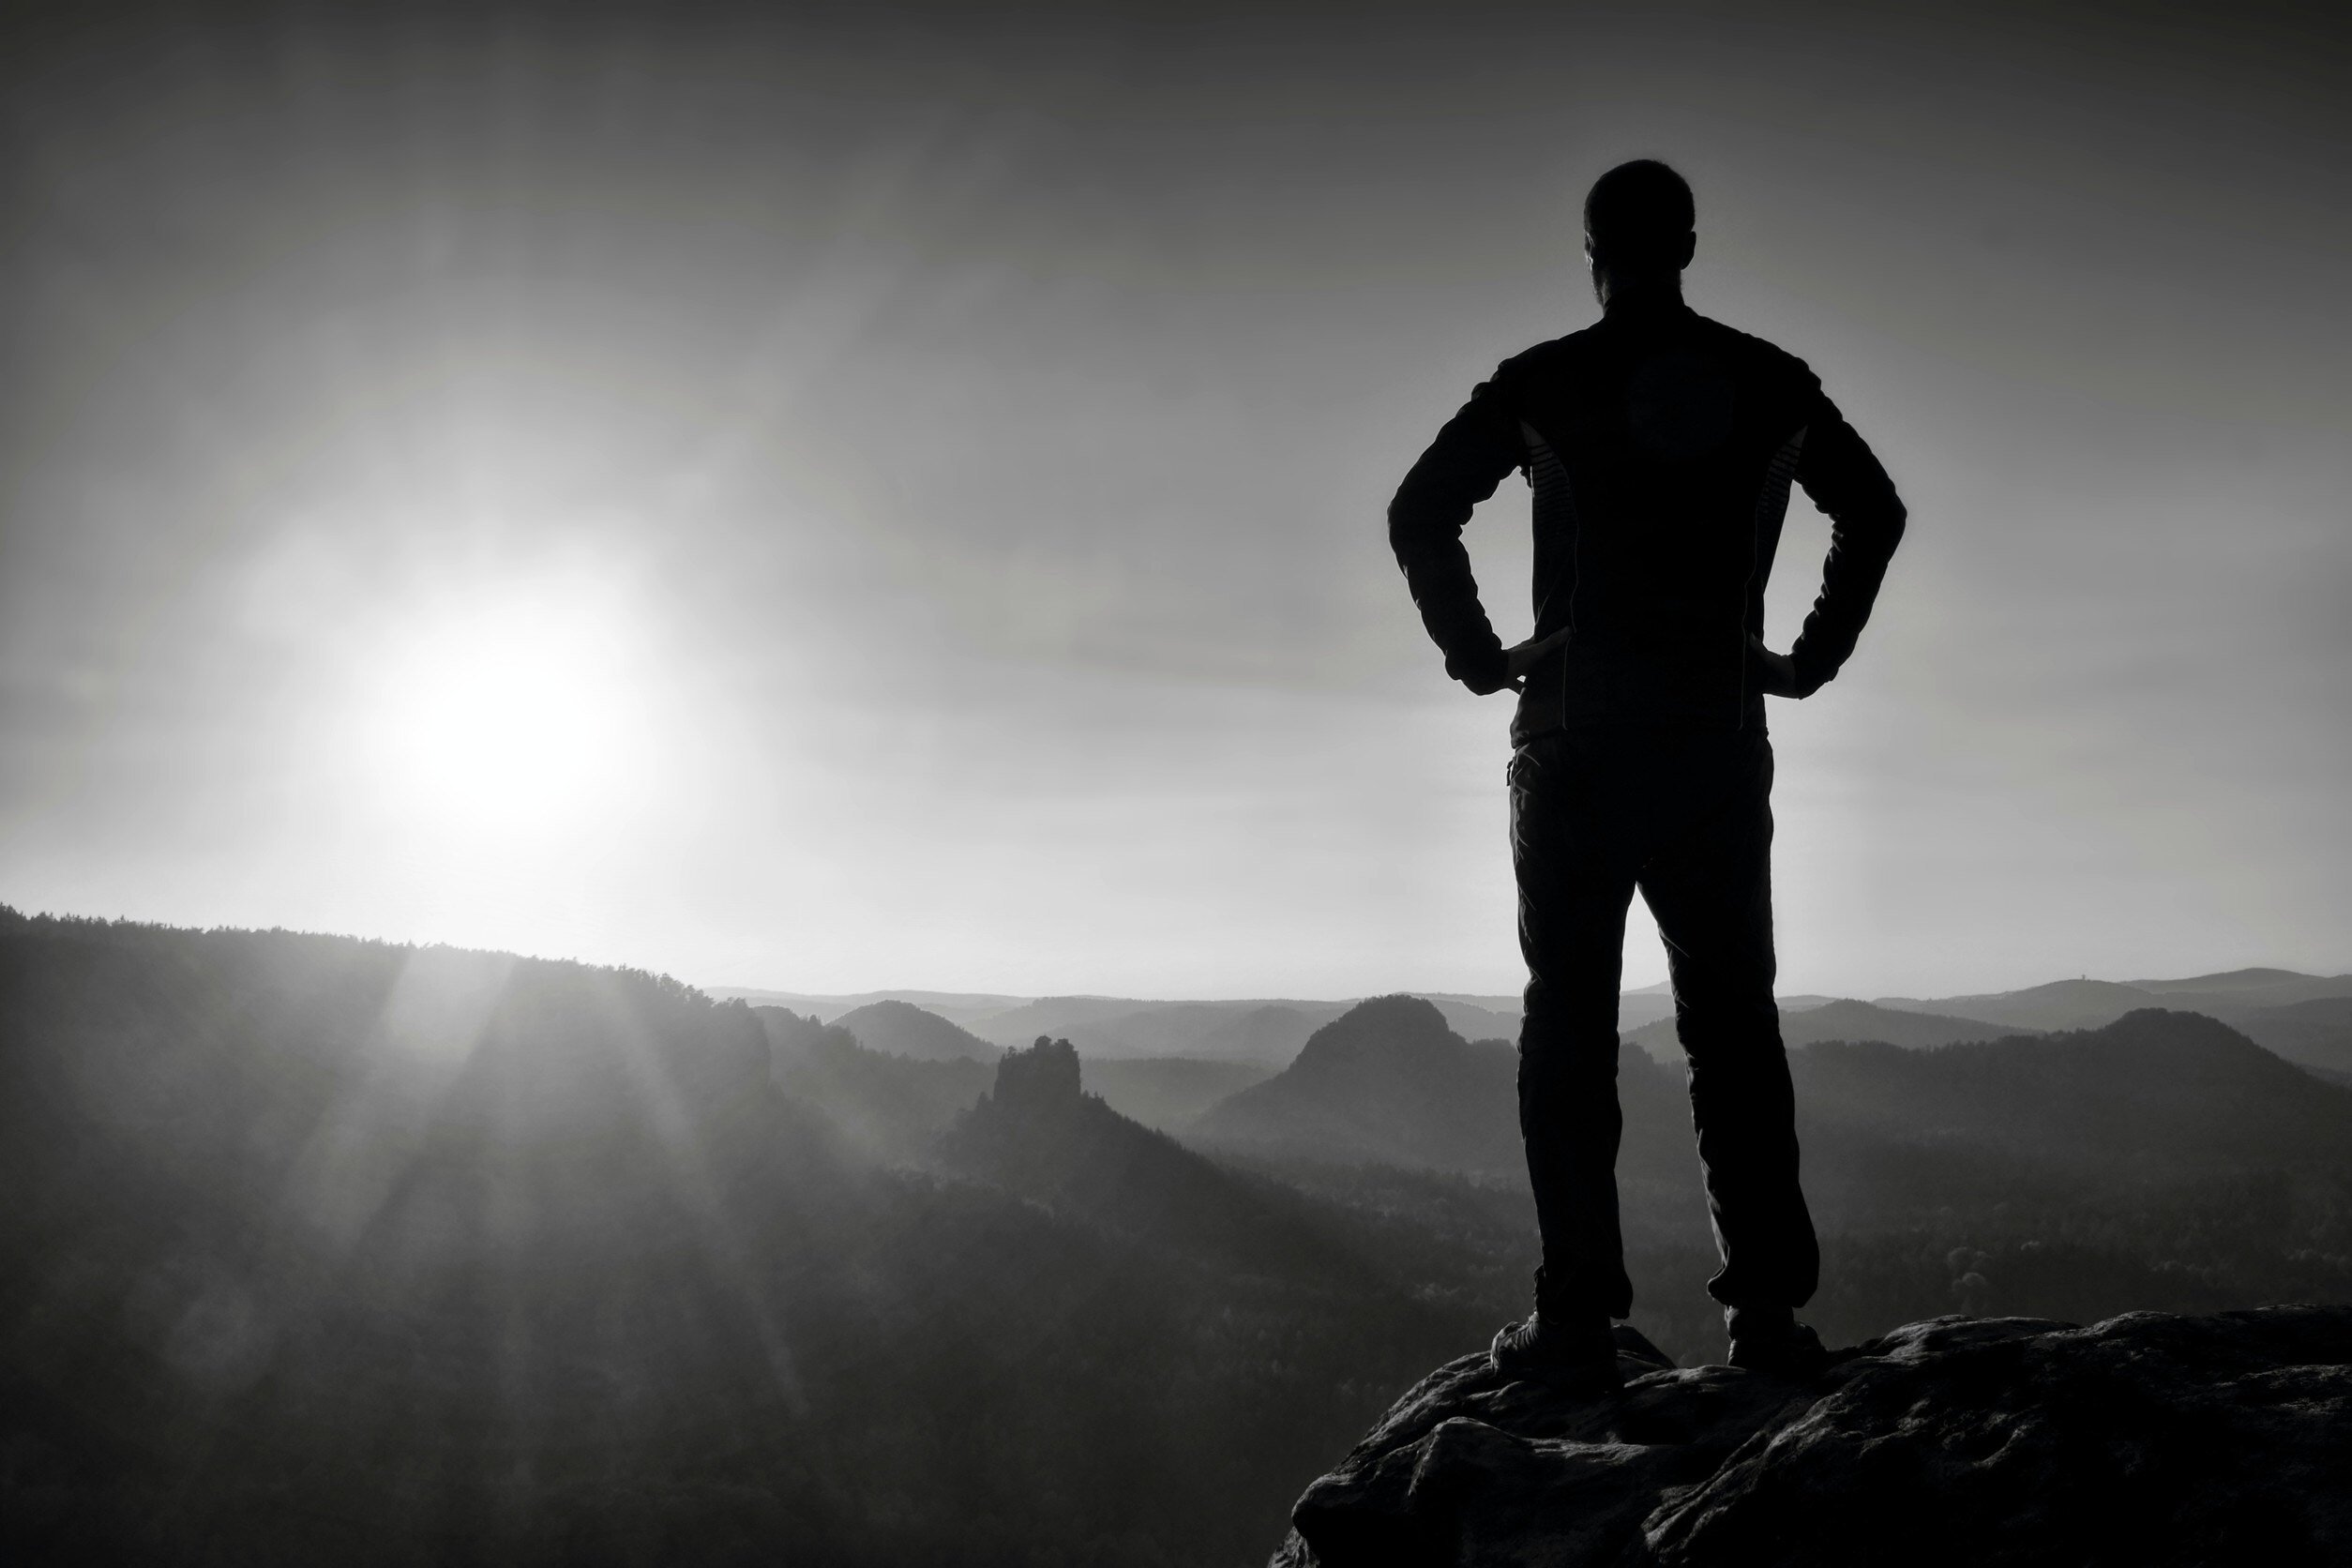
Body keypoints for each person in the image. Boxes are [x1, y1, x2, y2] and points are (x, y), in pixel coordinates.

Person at [1386, 159, 1907, 1387]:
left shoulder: (1544, 386)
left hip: (1570, 739)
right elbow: (1871, 511)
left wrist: (1478, 656)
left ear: (1592, 251)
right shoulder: (1772, 387)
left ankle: (1574, 1320)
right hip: (1715, 738)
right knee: (1732, 1027)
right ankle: (1768, 1317)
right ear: (1688, 243)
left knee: (1568, 1023)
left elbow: (1420, 511)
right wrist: (1806, 660)